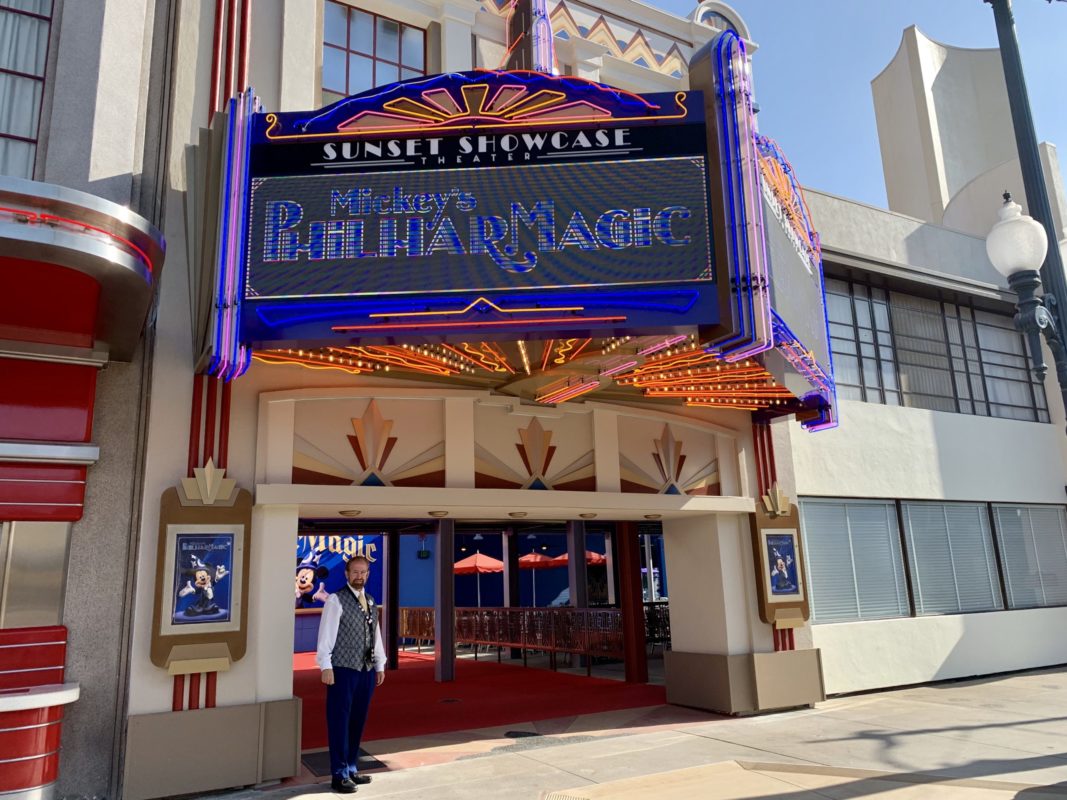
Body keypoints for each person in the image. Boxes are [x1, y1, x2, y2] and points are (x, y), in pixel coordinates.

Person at [316, 555, 386, 793]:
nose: (359, 576)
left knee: (358, 720)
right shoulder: (336, 600)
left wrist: (380, 664)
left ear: (368, 574)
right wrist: (325, 665)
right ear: (346, 574)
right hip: (343, 669)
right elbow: (326, 635)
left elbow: (375, 635)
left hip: (365, 669)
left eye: (363, 572)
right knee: (339, 721)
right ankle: (338, 774)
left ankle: (352, 768)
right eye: (355, 572)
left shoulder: (370, 600)